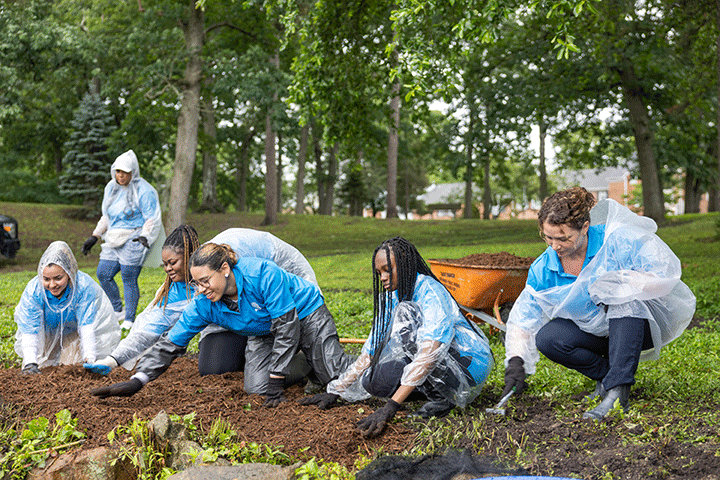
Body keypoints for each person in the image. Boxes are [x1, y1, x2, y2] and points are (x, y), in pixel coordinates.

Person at [502, 187, 696, 420]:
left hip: (636, 328)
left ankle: (617, 392)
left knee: (622, 298)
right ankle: (607, 377)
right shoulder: (543, 269)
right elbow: (524, 318)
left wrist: (624, 282)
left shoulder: (616, 240)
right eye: (548, 237)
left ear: (585, 228)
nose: (555, 246)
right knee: (548, 337)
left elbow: (665, 275)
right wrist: (516, 361)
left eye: (563, 238)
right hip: (594, 336)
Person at [90, 242, 354, 405]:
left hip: (304, 313)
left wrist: (277, 379)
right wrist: (139, 379)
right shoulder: (204, 303)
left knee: (339, 379)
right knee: (257, 388)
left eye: (206, 280)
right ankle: (306, 362)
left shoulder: (262, 274)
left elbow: (287, 327)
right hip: (262, 330)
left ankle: (324, 359)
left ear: (225, 269)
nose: (201, 289)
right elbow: (172, 342)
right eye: (196, 283)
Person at [300, 237, 494, 438]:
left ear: (403, 262)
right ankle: (432, 390)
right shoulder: (393, 296)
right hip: (441, 361)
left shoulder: (429, 290)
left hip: (469, 364)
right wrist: (337, 390)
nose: (383, 277)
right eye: (379, 273)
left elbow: (431, 351)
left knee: (405, 313)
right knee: (372, 382)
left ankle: (443, 398)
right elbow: (371, 348)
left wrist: (391, 406)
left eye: (387, 269)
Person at [83, 225, 200, 375]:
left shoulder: (210, 278)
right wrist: (112, 360)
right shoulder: (171, 293)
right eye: (165, 264)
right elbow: (147, 330)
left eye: (173, 262)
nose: (167, 268)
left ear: (190, 256)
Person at [81, 150, 164, 331]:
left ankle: (129, 318)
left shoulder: (144, 190)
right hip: (113, 237)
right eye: (118, 171)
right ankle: (117, 309)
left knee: (128, 276)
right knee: (103, 273)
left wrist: (145, 236)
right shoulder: (111, 188)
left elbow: (152, 216)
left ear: (133, 172)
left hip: (134, 237)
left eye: (125, 172)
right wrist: (95, 236)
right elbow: (107, 216)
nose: (121, 175)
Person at [14, 241, 121, 373]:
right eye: (46, 279)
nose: (52, 285)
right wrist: (30, 362)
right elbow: (30, 328)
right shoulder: (34, 291)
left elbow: (86, 326)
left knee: (71, 370)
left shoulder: (83, 287)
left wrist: (90, 358)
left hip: (74, 335)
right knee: (41, 368)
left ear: (70, 274)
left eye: (58, 278)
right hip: (46, 333)